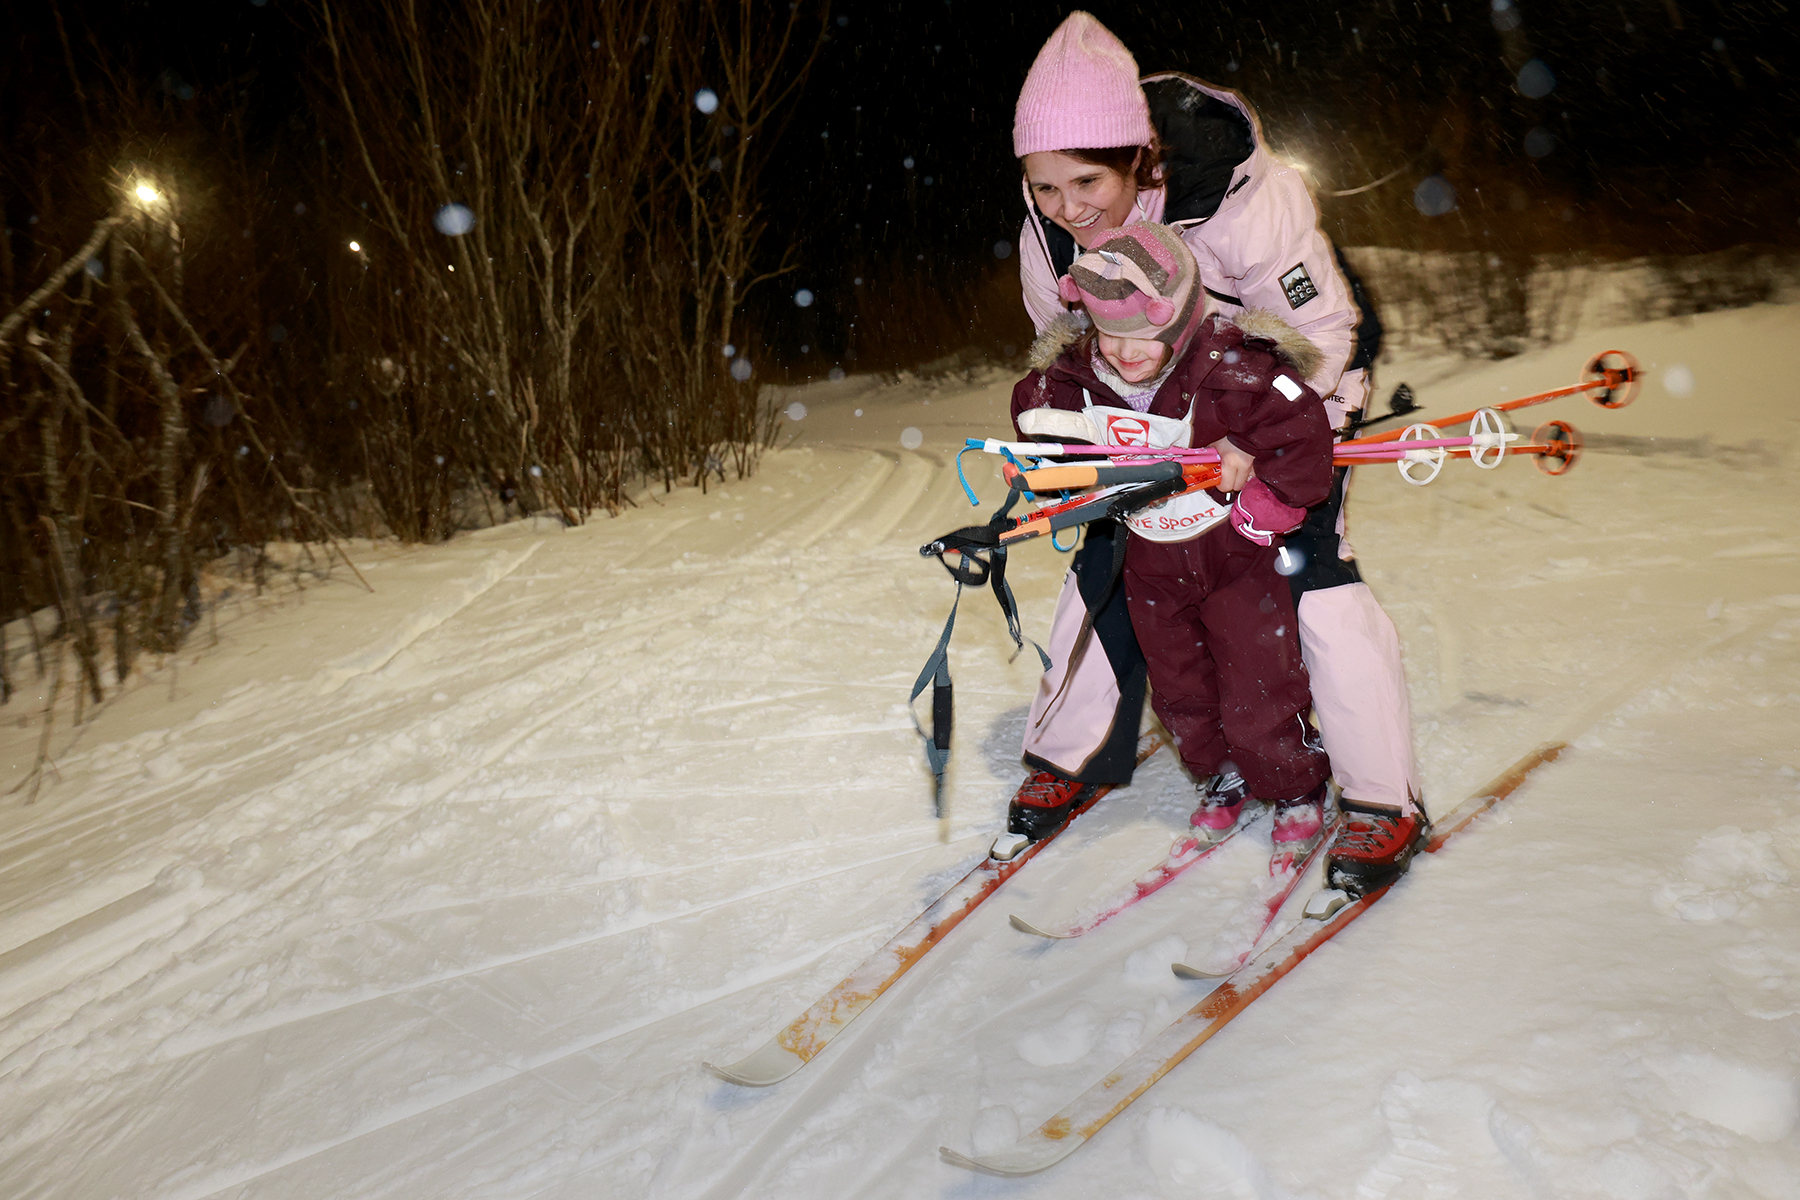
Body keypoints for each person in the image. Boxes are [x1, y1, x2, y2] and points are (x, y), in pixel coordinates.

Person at [1004, 11, 1425, 896]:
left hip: (1289, 388)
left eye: (1087, 181)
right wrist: (1072, 435)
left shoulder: (1235, 199)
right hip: (1155, 406)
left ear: (1140, 158)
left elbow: (1325, 331)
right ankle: (1069, 751)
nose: (1068, 209)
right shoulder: (1050, 236)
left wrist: (1259, 439)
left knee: (1309, 565)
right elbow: (1066, 352)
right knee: (1111, 554)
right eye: (1044, 186)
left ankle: (1382, 798)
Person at [1010, 221, 1336, 870]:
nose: (1124, 352)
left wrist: (1256, 468)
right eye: (1109, 334)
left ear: (1182, 321)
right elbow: (1037, 418)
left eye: (1143, 335)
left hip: (1235, 561)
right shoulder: (1077, 378)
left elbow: (1303, 430)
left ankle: (1294, 785)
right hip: (1150, 563)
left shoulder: (1239, 370)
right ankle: (1222, 774)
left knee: (1259, 682)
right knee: (1179, 686)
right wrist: (1043, 465)